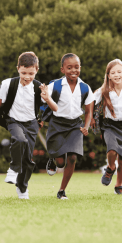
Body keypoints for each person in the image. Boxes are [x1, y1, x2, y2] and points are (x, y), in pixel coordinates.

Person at [0, 52, 56, 199]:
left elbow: (53, 107)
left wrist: (47, 97)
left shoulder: (40, 88)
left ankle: (22, 186)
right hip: (13, 120)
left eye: (31, 73)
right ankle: (13, 169)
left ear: (36, 70)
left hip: (31, 124)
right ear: (18, 68)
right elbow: (0, 103)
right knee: (19, 139)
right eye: (23, 72)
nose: (27, 76)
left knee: (28, 160)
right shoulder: (8, 84)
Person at [44, 53, 95, 200]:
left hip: (75, 126)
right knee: (61, 163)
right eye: (69, 67)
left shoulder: (85, 88)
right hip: (57, 124)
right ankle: (54, 159)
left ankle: (62, 190)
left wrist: (86, 126)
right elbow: (43, 101)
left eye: (77, 67)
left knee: (72, 157)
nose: (74, 70)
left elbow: (88, 111)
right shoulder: (55, 85)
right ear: (62, 70)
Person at [92, 59, 122, 195]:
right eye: (113, 72)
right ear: (108, 75)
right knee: (112, 151)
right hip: (109, 125)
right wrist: (91, 118)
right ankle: (110, 167)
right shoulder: (103, 91)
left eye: (119, 72)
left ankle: (119, 185)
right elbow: (90, 102)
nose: (116, 75)